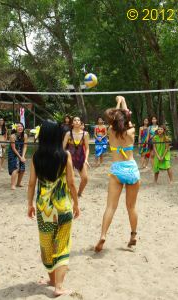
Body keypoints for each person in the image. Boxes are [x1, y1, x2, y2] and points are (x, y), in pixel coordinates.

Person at [27, 120, 80, 297]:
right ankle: (58, 286)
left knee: (46, 244)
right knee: (62, 245)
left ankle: (51, 279)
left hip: (44, 209)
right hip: (63, 207)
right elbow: (72, 183)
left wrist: (29, 204)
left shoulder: (36, 156)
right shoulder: (65, 156)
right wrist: (76, 203)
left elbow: (31, 184)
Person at [95, 96, 140, 252]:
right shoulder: (132, 131)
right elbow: (126, 114)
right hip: (131, 168)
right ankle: (133, 235)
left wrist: (118, 101)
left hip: (117, 169)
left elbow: (118, 116)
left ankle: (103, 235)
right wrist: (123, 101)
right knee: (131, 207)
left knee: (111, 207)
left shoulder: (110, 131)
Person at [63, 116, 90, 197]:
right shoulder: (68, 133)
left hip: (81, 157)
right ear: (72, 123)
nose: (77, 121)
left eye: (78, 120)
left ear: (80, 122)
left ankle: (79, 193)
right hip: (70, 158)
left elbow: (88, 149)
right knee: (70, 179)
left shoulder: (85, 134)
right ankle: (70, 193)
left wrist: (86, 159)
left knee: (85, 179)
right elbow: (63, 147)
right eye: (75, 120)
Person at [8, 122, 28, 190]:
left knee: (22, 169)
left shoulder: (25, 135)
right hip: (13, 153)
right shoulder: (12, 136)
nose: (20, 128)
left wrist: (23, 156)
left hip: (21, 152)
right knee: (15, 168)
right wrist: (20, 157)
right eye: (18, 126)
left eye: (21, 126)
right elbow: (13, 148)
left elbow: (25, 146)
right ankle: (12, 185)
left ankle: (18, 183)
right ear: (15, 128)